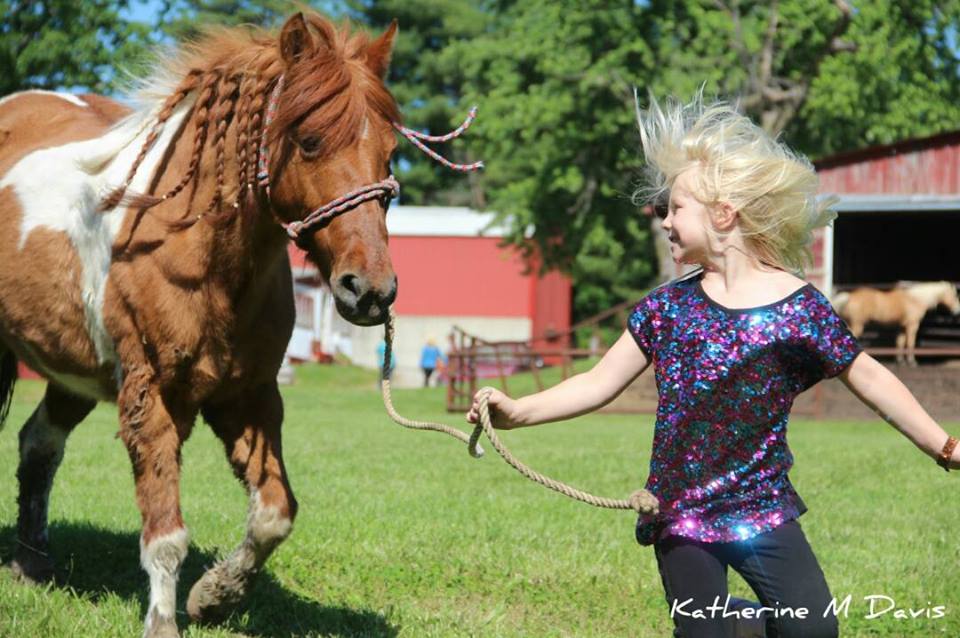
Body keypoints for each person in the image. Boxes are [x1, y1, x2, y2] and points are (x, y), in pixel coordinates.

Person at [466, 94, 959, 638]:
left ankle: (746, 626)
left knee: (813, 631)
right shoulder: (666, 308)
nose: (665, 221)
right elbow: (597, 381)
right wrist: (518, 410)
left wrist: (945, 445)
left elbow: (870, 377)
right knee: (703, 634)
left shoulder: (799, 309)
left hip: (763, 507)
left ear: (724, 214)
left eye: (676, 209)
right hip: (680, 514)